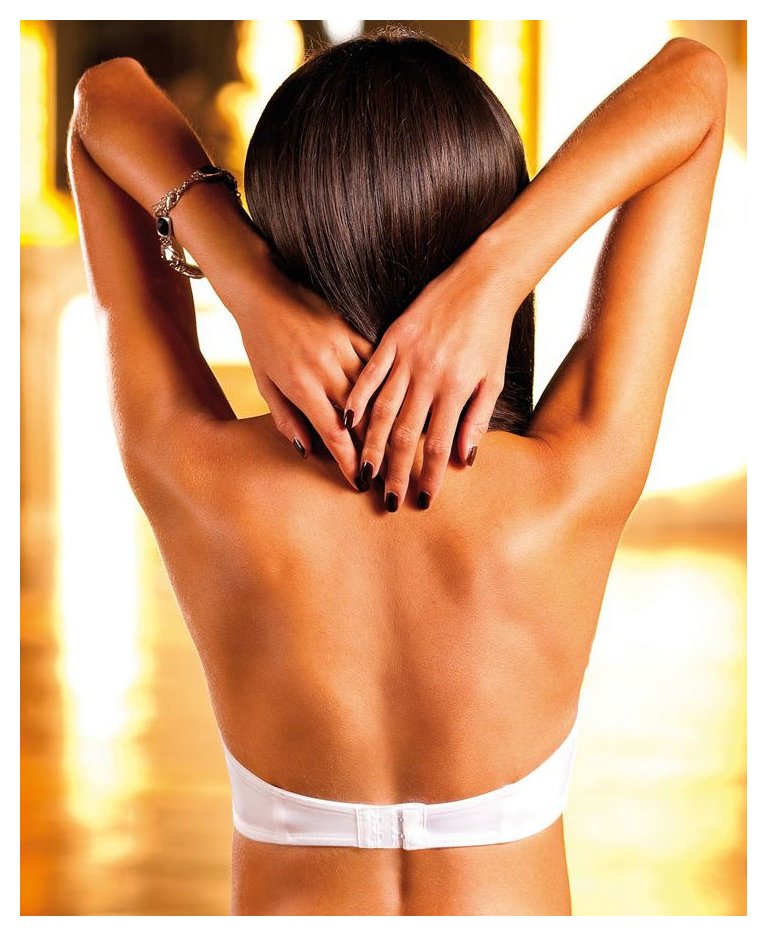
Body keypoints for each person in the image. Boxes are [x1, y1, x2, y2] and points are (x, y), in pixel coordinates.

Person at [66, 24, 726, 916]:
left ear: (288, 232)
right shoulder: (568, 482)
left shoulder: (198, 473)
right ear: (485, 213)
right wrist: (499, 271)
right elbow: (695, 84)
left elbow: (102, 101)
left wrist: (242, 277)